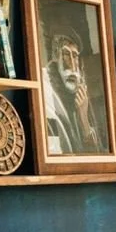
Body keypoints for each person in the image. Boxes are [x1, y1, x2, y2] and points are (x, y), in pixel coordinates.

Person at [42, 25, 103, 154]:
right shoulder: (46, 91)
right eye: (65, 54)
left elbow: (95, 155)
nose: (72, 65)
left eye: (74, 56)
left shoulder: (81, 94)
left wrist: (83, 117)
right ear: (55, 56)